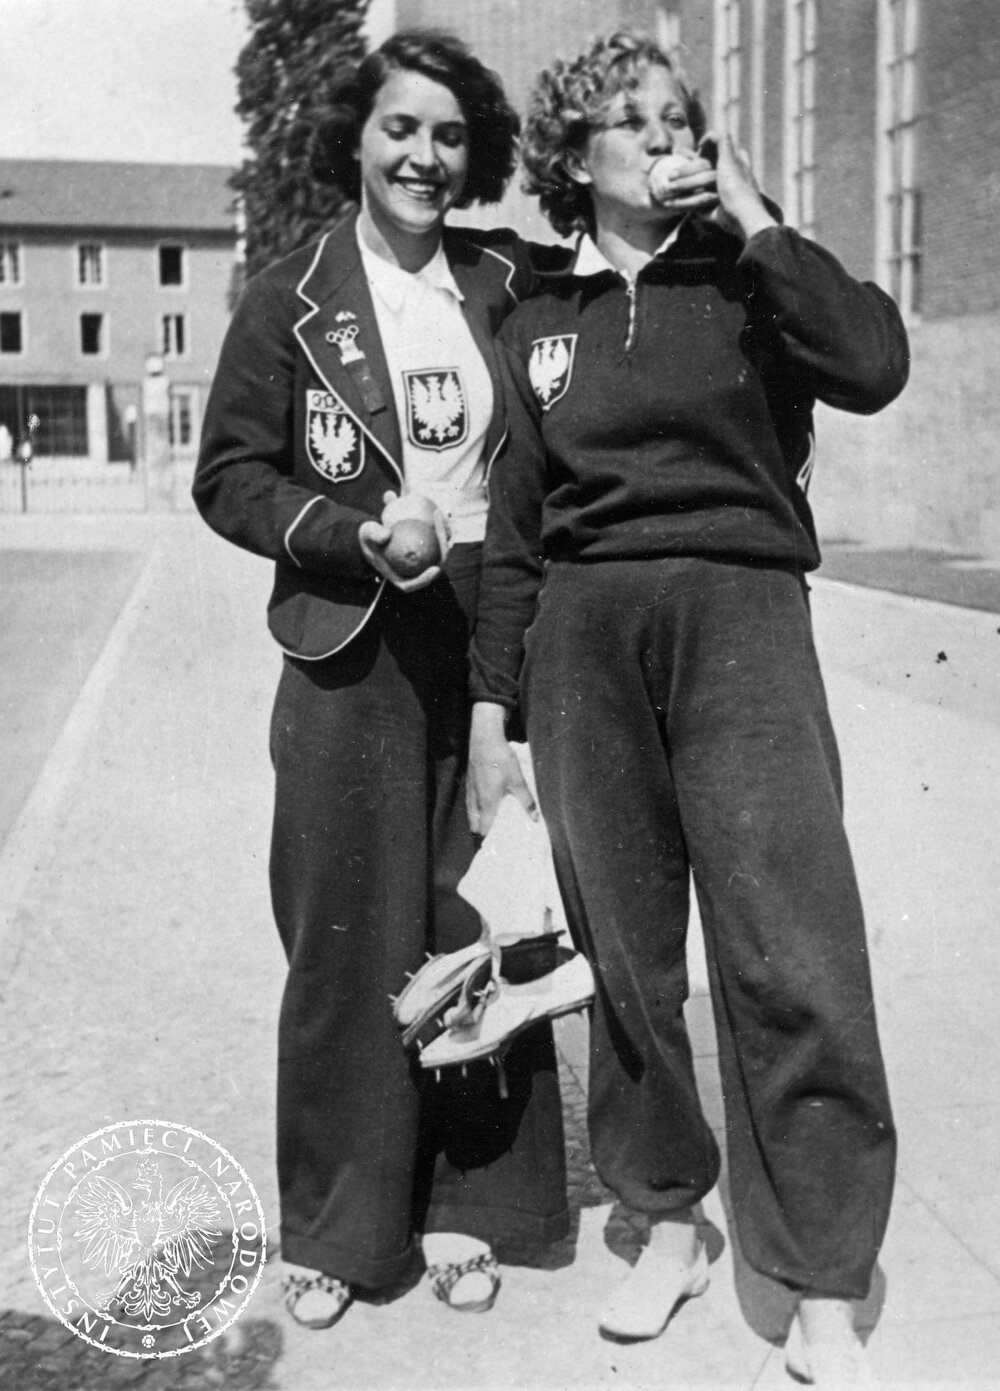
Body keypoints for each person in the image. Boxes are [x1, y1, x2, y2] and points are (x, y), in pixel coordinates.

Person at [467, 31, 907, 1387]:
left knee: (793, 949)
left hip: (742, 620)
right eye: (636, 124)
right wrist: (497, 712)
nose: (671, 142)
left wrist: (766, 223)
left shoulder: (751, 282)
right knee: (629, 959)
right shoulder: (539, 318)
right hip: (585, 644)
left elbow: (874, 361)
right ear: (573, 159)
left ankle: (824, 1276)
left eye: (684, 122)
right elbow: (517, 534)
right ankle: (668, 1222)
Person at [193, 29, 569, 1331]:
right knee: (349, 943)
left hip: (485, 645)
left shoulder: (509, 280)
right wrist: (354, 534)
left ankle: (473, 1203)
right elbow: (230, 476)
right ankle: (343, 1224)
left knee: (478, 924)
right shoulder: (293, 294)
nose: (424, 155)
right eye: (401, 128)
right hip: (350, 648)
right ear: (355, 135)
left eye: (450, 135)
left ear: (478, 156)